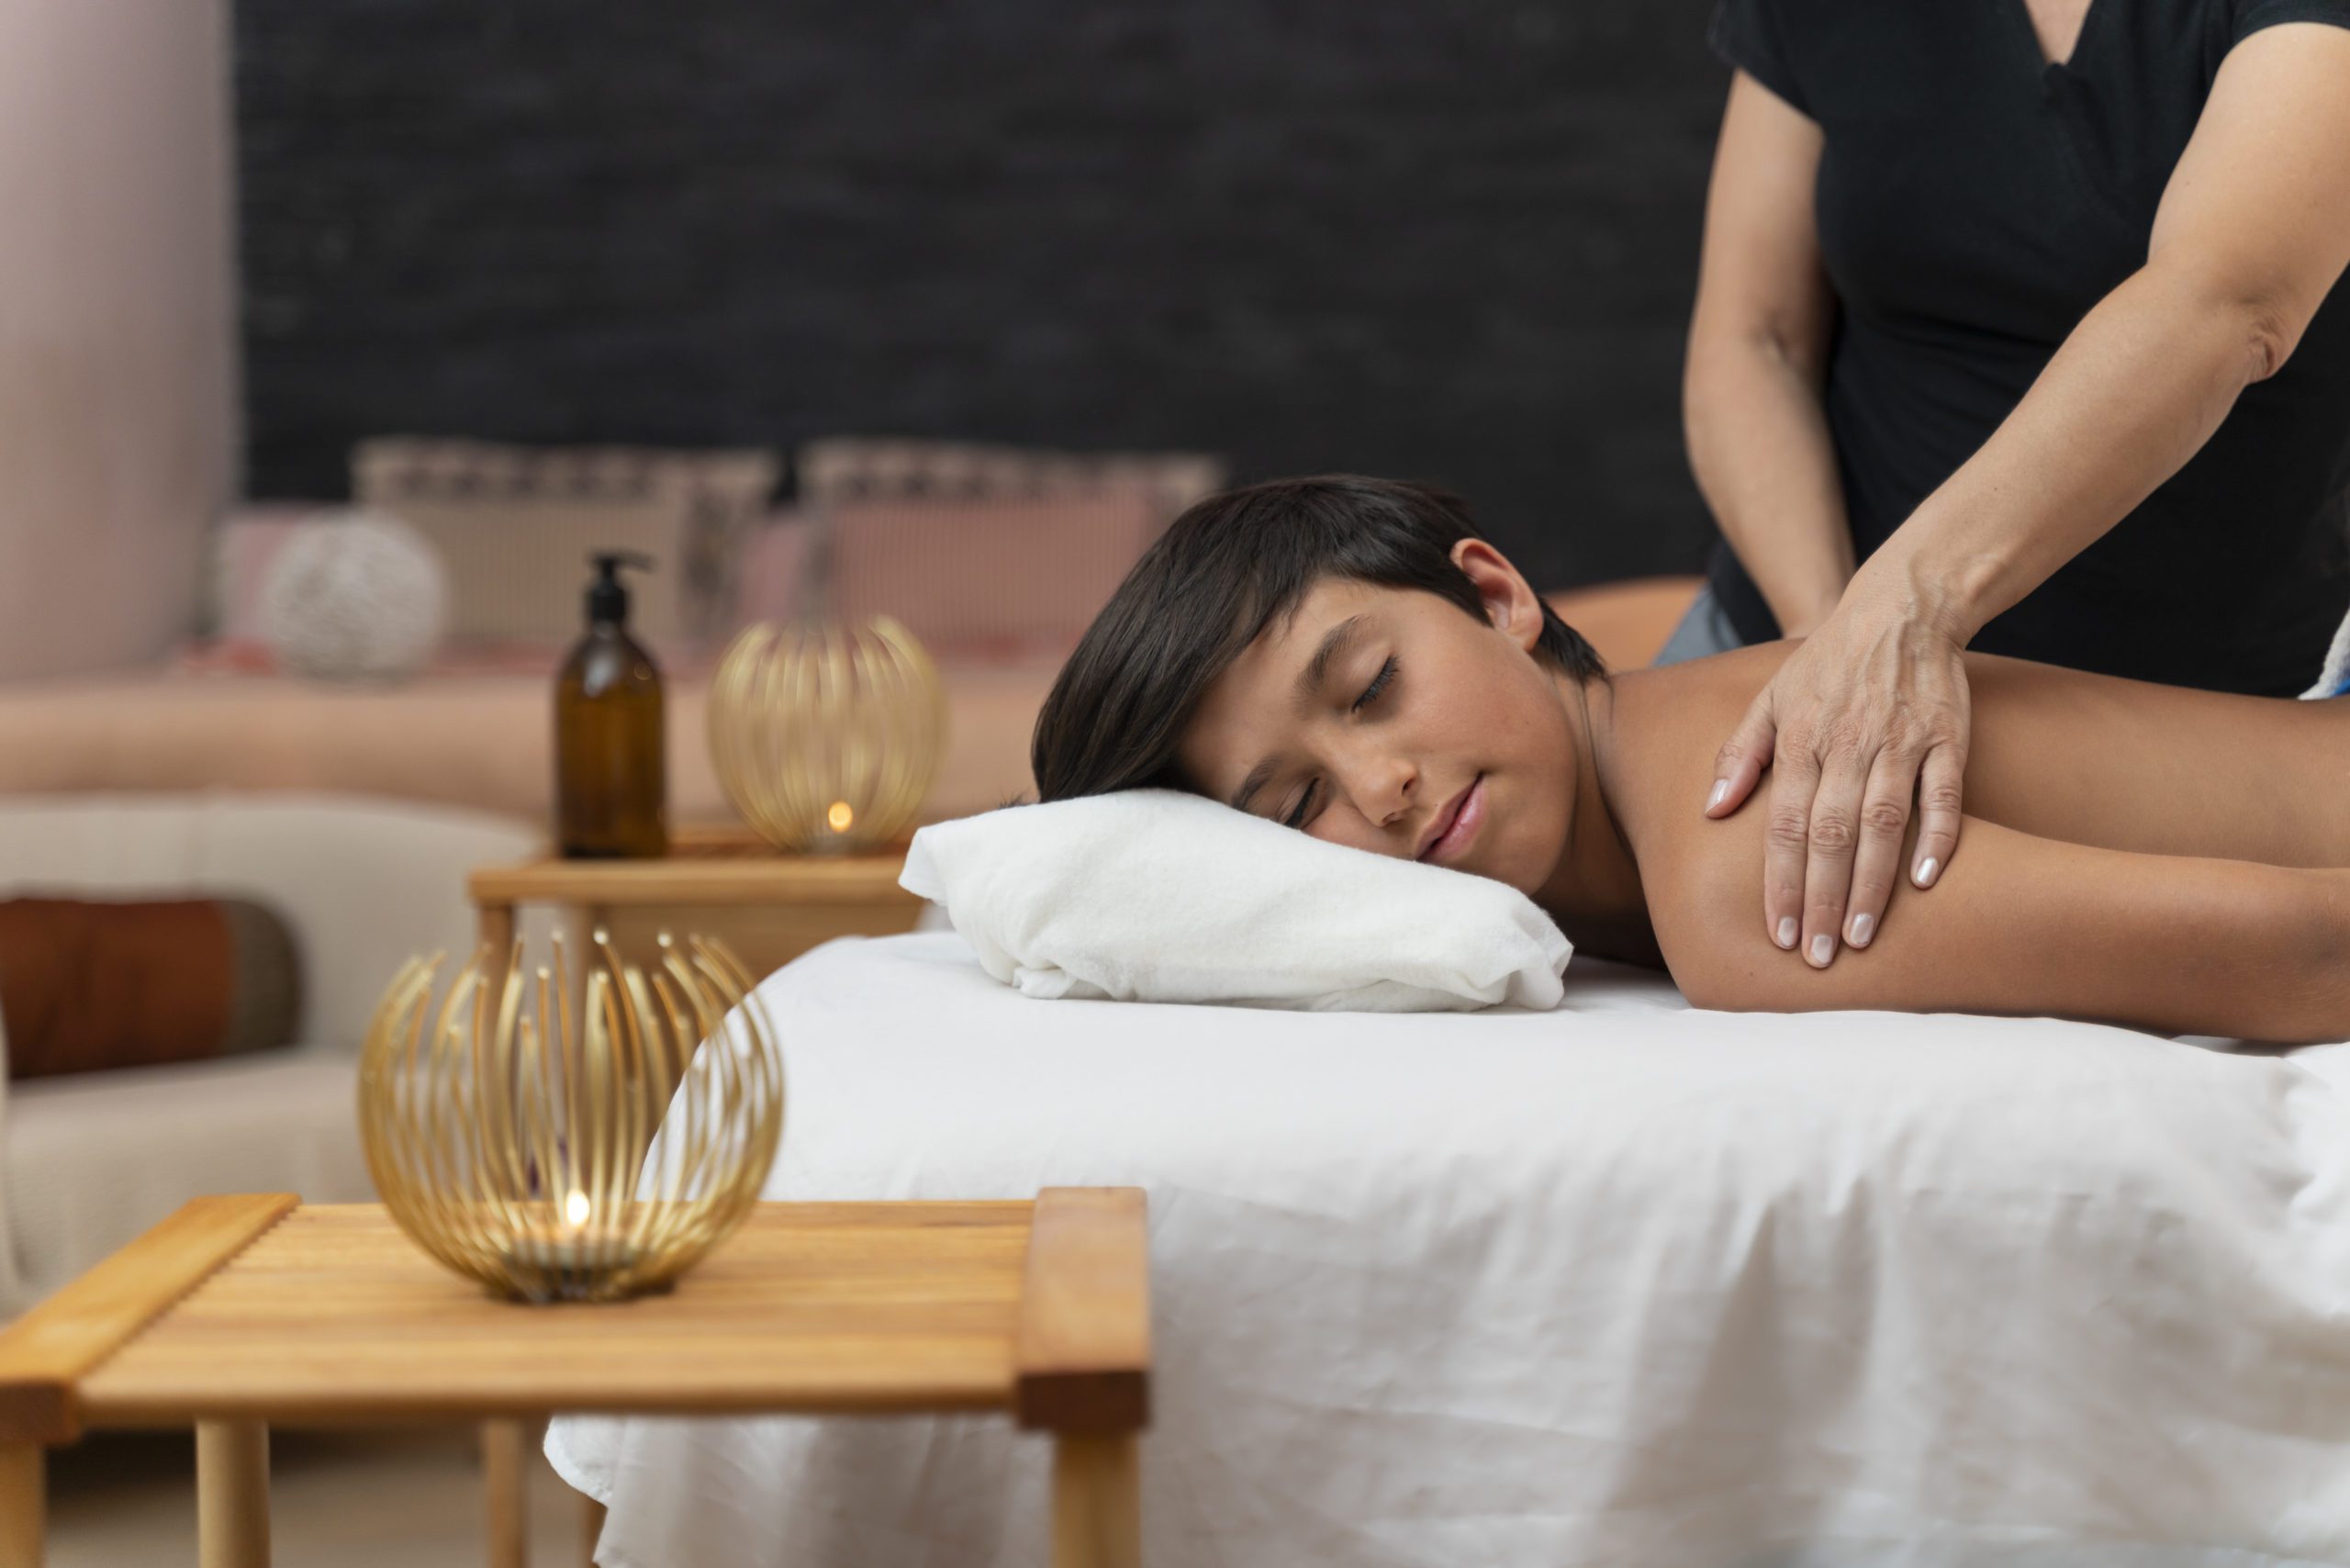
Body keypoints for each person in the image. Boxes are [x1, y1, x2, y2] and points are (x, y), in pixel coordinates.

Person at [1033, 476, 2350, 1044]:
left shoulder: (1734, 851)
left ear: (1498, 599)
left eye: (1373, 689)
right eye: (1295, 803)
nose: (1382, 789)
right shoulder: (1645, 835)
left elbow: (2313, 950)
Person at [1670, 2, 2350, 978]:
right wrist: (1829, 651)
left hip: (2189, 738)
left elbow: (2230, 300)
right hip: (1790, 651)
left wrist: (1909, 610)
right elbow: (1753, 339)